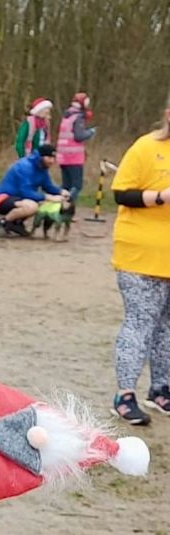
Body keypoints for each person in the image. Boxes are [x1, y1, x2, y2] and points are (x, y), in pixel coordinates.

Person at [109, 97, 170, 425]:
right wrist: (161, 195)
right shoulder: (146, 148)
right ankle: (124, 394)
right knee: (140, 323)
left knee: (167, 327)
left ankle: (161, 389)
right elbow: (122, 193)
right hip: (140, 255)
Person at [0, 141, 68, 236]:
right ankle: (3, 223)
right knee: (32, 206)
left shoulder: (43, 168)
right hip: (3, 199)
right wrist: (48, 197)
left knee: (41, 202)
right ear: (41, 156)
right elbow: (25, 192)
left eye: (53, 158)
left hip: (19, 198)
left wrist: (61, 192)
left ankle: (16, 223)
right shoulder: (25, 166)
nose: (52, 161)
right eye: (49, 157)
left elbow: (48, 186)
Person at [56, 92, 95, 198]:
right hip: (74, 157)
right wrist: (90, 132)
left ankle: (55, 204)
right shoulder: (78, 117)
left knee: (66, 186)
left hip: (63, 156)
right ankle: (67, 207)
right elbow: (79, 136)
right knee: (77, 186)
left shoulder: (67, 116)